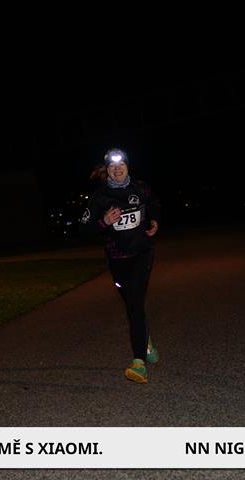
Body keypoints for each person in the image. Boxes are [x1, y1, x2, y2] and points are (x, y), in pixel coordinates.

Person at [79, 148, 161, 383]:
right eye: (113, 167)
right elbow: (83, 228)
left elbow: (154, 202)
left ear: (127, 167)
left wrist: (155, 219)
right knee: (132, 306)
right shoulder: (100, 197)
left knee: (135, 304)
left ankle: (139, 363)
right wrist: (104, 221)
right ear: (108, 171)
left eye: (121, 165)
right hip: (117, 260)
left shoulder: (140, 188)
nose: (117, 169)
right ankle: (144, 340)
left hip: (142, 254)